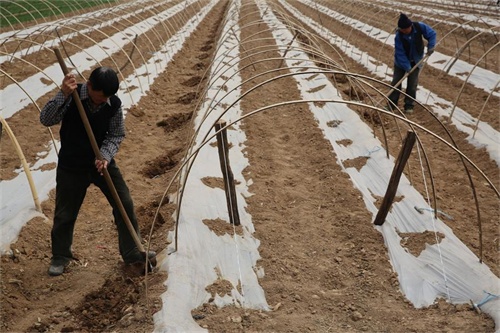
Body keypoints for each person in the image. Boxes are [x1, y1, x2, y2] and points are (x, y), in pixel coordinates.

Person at [40, 67, 155, 276]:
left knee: (124, 203)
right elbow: (46, 119)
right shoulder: (72, 95)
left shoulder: (113, 104)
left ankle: (133, 253)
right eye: (100, 97)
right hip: (72, 165)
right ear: (90, 86)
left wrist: (104, 156)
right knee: (65, 213)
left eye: (107, 98)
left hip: (101, 163)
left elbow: (116, 134)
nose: (104, 102)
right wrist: (63, 93)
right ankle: (60, 256)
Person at [387, 13, 436, 114]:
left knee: (412, 84)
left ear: (410, 26)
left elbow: (432, 34)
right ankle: (391, 105)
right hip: (401, 62)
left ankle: (409, 106)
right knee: (396, 82)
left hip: (416, 60)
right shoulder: (399, 36)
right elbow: (400, 54)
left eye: (406, 30)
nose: (404, 32)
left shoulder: (419, 27)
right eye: (402, 30)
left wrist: (431, 46)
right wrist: (407, 67)